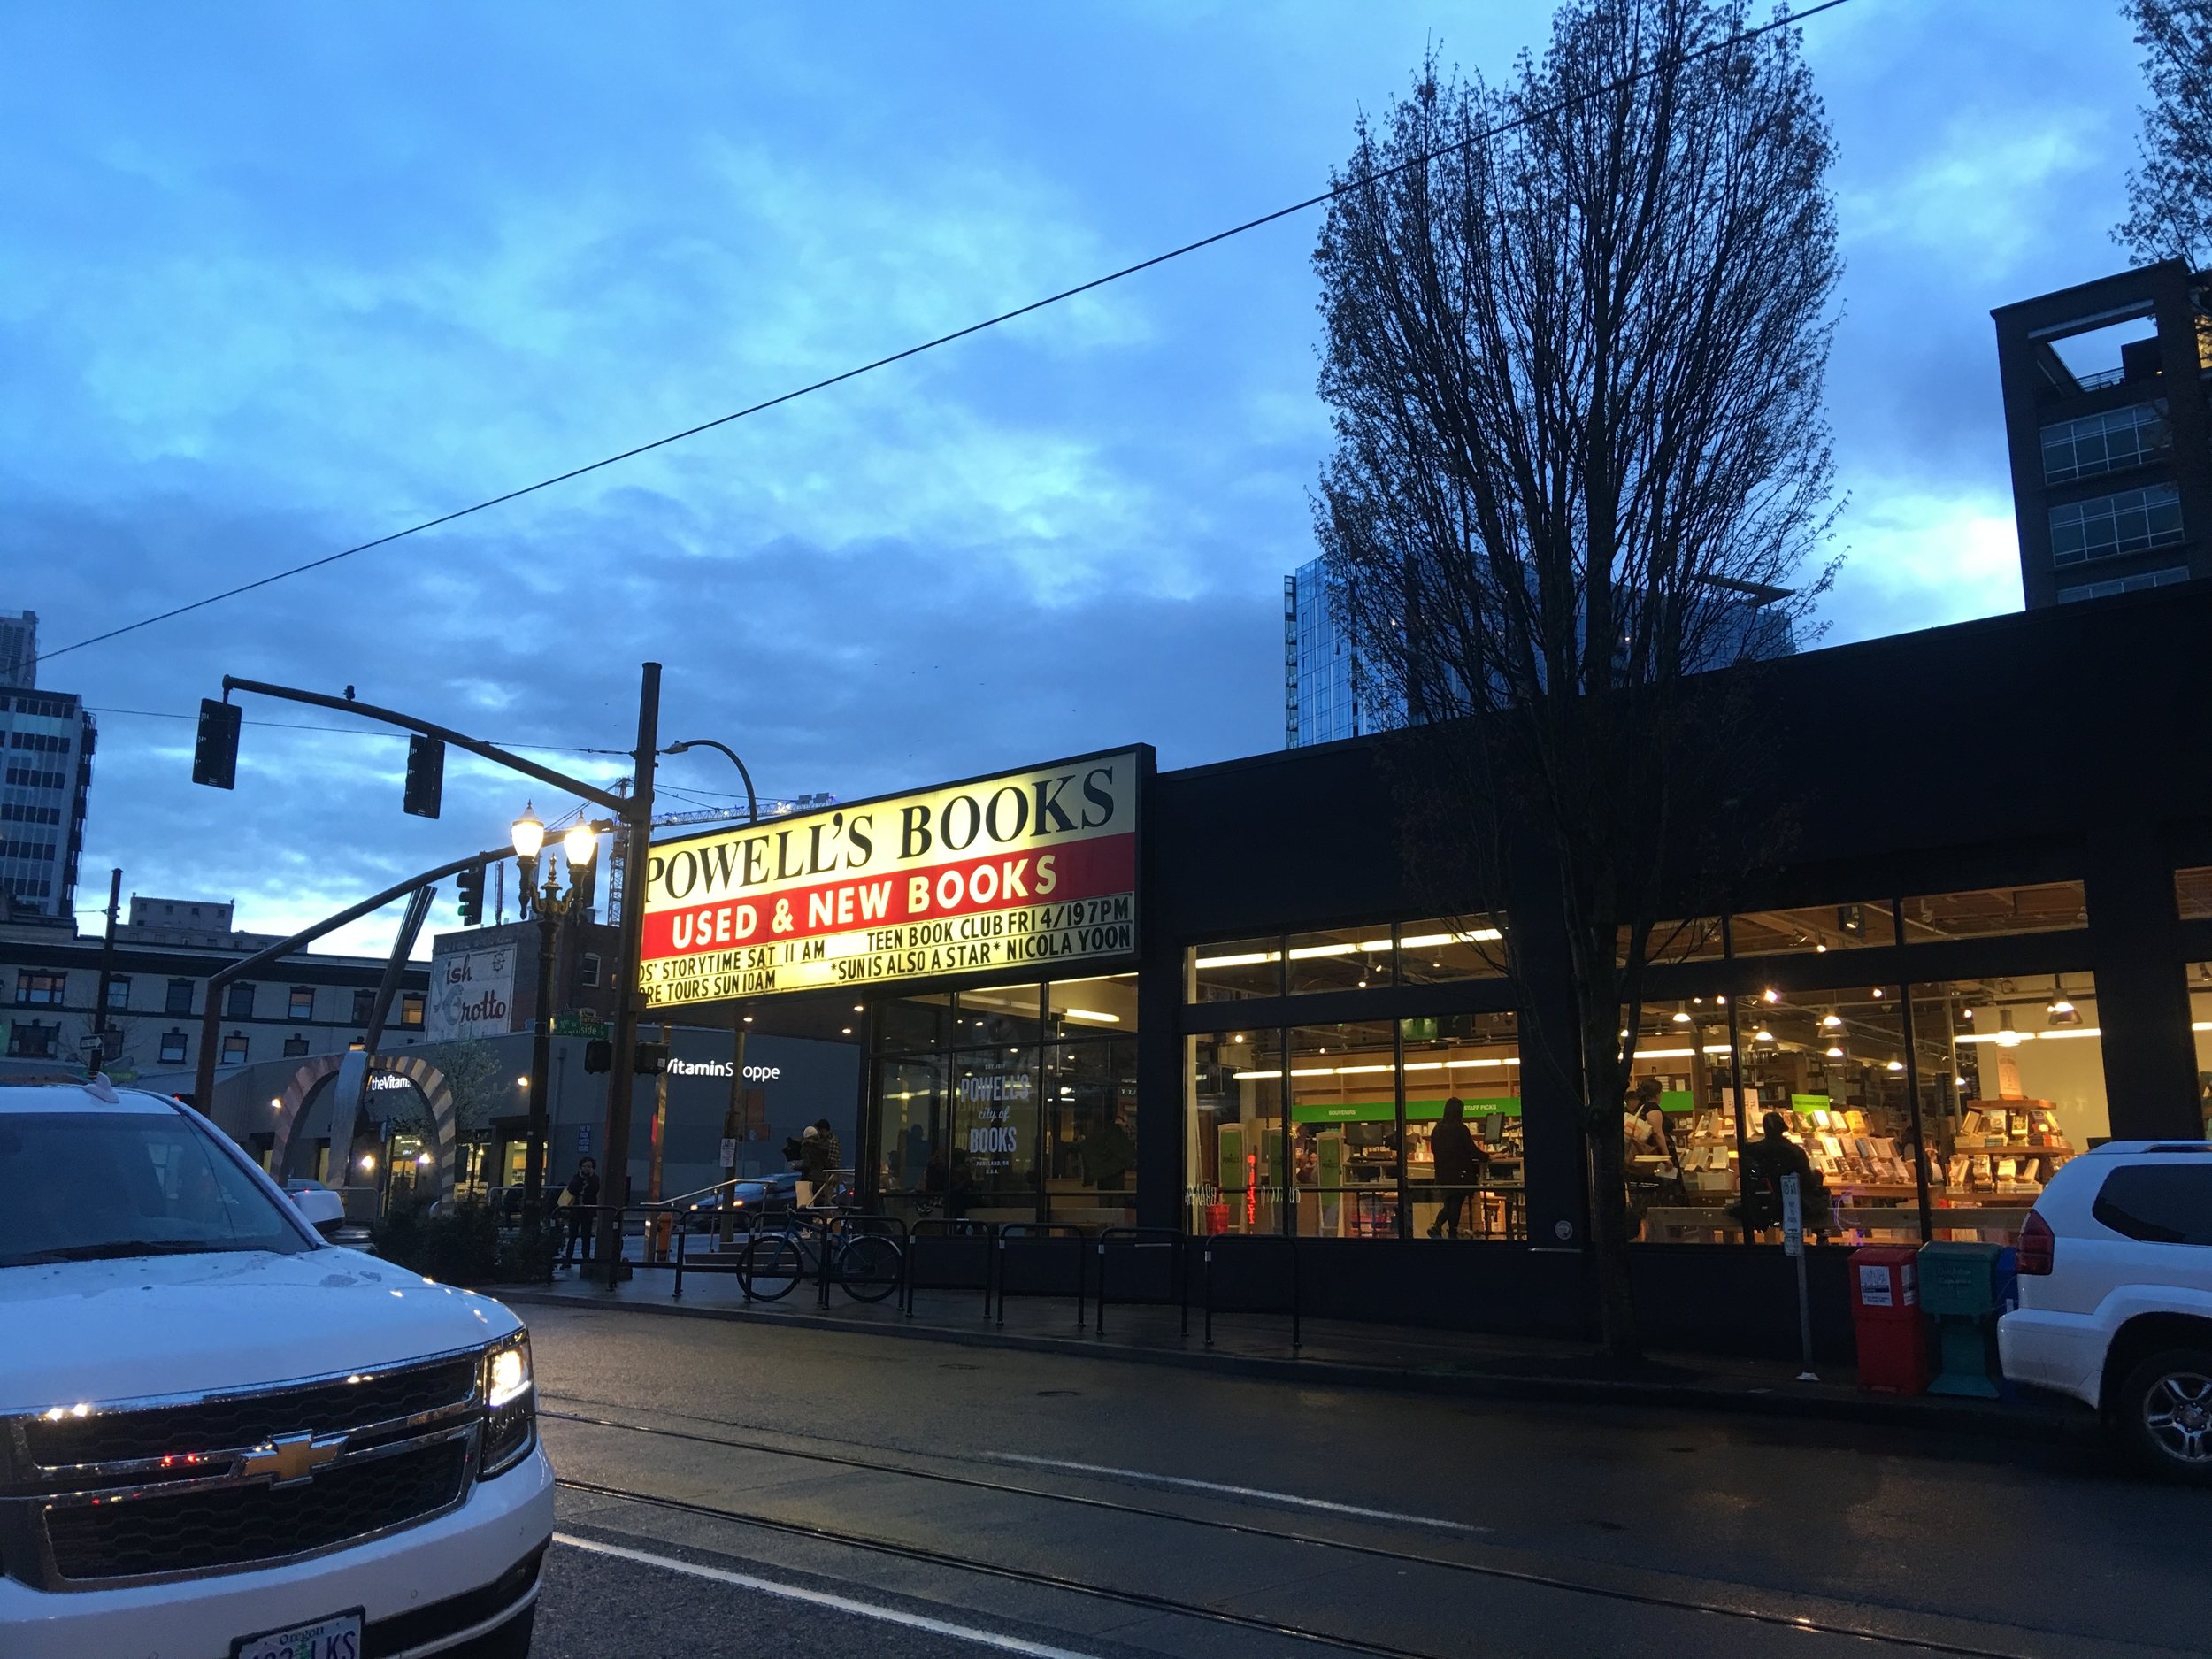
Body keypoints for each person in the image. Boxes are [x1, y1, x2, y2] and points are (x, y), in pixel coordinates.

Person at [1738, 1111, 1822, 1237]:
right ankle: (1822, 1234)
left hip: (1762, 1201)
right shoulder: (1795, 1151)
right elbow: (1807, 1181)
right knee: (1818, 1176)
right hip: (1794, 1201)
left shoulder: (1752, 1150)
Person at [1426, 1096, 1486, 1239]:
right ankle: (1450, 1232)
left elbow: (1434, 1149)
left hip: (1442, 1174)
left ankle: (1438, 1227)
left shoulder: (1437, 1129)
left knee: (1449, 1203)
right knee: (1455, 1204)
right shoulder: (1460, 1128)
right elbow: (1472, 1150)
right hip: (1460, 1174)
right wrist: (1488, 1157)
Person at [1079, 1109, 1137, 1194]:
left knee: (1104, 1200)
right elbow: (1126, 1156)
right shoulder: (1119, 1136)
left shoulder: (1100, 1134)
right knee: (1117, 1200)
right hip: (1117, 1173)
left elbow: (1086, 1146)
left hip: (1102, 1174)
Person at [559, 1156, 600, 1267]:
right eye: (584, 1166)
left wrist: (590, 1178)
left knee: (586, 1236)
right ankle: (568, 1259)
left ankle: (585, 1258)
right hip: (575, 1211)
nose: (586, 1169)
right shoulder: (576, 1178)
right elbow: (572, 1189)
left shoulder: (595, 1179)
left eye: (589, 1166)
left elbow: (595, 1189)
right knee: (572, 1236)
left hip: (587, 1211)